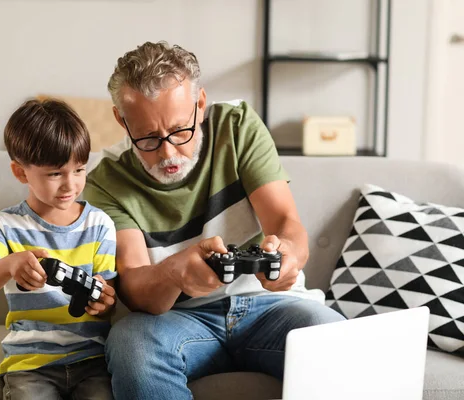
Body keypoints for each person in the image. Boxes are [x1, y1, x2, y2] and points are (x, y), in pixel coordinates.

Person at [83, 41, 345, 399]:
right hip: (177, 320)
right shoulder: (105, 180)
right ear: (121, 119)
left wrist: (288, 257)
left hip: (271, 307)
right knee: (131, 343)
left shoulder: (237, 126)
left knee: (335, 339)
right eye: (147, 138)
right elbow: (138, 290)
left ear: (201, 104)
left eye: (180, 131)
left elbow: (286, 223)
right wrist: (176, 272)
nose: (168, 153)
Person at [0, 98, 117, 400]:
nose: (70, 185)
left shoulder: (99, 225)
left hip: (90, 360)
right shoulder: (5, 224)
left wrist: (104, 300)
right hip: (30, 363)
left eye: (79, 170)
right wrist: (10, 264)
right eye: (55, 174)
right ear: (21, 173)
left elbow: (108, 300)